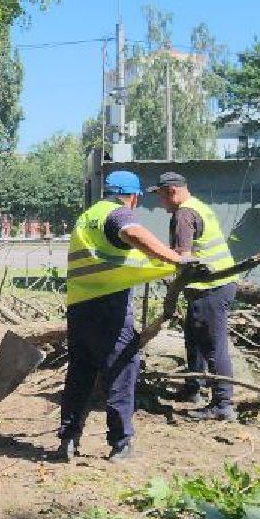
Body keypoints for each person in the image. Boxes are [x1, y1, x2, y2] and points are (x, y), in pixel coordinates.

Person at [56, 170, 187, 463]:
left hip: (80, 307)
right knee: (122, 369)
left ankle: (67, 439)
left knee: (80, 372)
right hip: (109, 308)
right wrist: (177, 259)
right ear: (134, 197)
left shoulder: (88, 216)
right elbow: (133, 233)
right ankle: (120, 443)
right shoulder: (117, 214)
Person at [150, 171, 239, 421]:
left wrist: (153, 268)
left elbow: (182, 257)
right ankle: (193, 388)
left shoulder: (184, 214)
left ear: (172, 192)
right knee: (194, 338)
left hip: (211, 288)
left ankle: (222, 402)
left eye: (160, 197)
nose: (160, 203)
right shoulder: (198, 206)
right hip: (214, 286)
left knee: (213, 345)